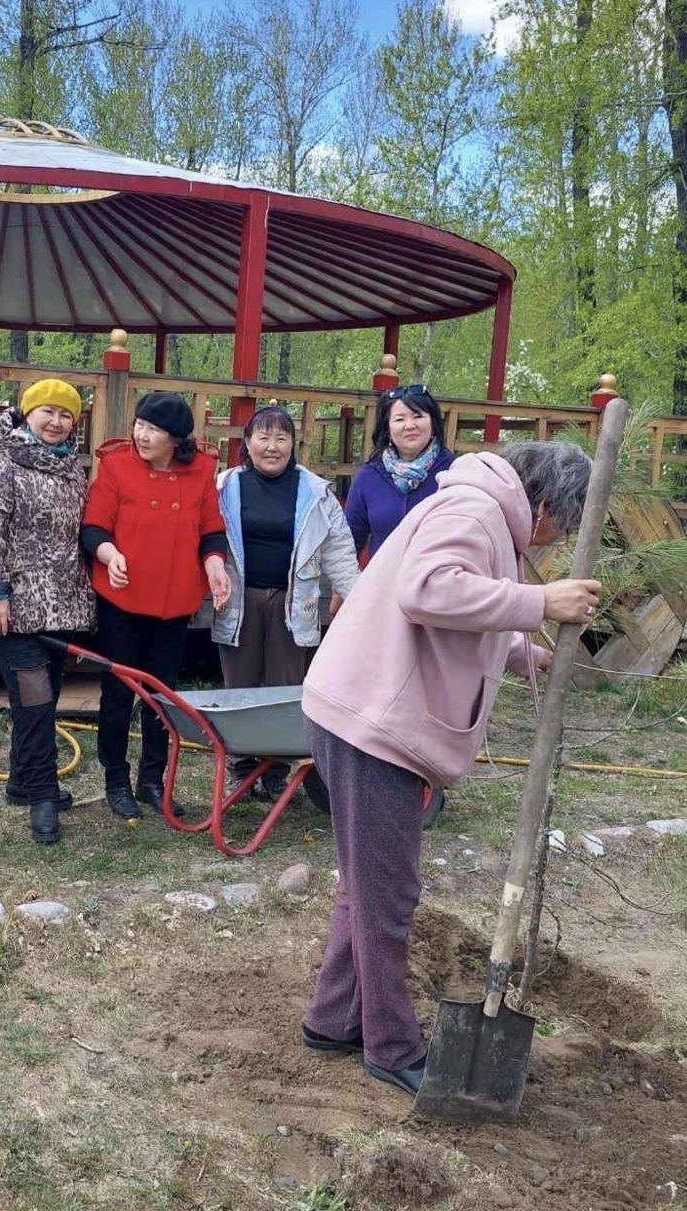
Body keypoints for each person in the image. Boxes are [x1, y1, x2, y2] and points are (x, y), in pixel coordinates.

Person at [299, 441, 602, 1097]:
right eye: (562, 527)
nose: (553, 543)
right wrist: (537, 601)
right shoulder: (473, 508)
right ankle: (391, 1045)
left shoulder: (484, 512)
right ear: (545, 504)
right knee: (388, 895)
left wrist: (525, 648)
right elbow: (430, 589)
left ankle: (332, 1018)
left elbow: (464, 609)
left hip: (368, 710)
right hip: (371, 719)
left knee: (365, 883)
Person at [82, 392, 231, 821]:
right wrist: (110, 556)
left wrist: (215, 566)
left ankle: (152, 778)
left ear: (177, 439)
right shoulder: (117, 464)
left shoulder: (201, 470)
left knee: (161, 696)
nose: (142, 436)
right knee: (118, 693)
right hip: (122, 599)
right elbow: (93, 526)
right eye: (140, 425)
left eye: (154, 431)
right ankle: (115, 778)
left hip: (174, 604)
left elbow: (211, 530)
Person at [0, 379, 94, 845]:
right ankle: (43, 793)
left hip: (61, 605)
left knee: (43, 699)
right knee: (35, 701)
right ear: (27, 414)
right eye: (47, 412)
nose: (56, 422)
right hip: (16, 605)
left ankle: (22, 781)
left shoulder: (72, 469)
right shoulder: (4, 464)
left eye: (65, 415)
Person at [212, 406, 360, 799]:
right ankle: (241, 769)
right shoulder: (224, 487)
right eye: (263, 437)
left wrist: (361, 602)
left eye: (281, 438)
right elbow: (204, 541)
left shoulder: (315, 492)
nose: (272, 447)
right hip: (239, 600)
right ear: (246, 443)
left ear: (293, 444)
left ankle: (275, 772)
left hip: (293, 604)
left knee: (284, 689)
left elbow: (340, 550)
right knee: (238, 689)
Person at [346, 385, 455, 559]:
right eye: (399, 419)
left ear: (433, 423)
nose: (410, 425)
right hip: (383, 581)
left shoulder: (455, 473)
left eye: (418, 416)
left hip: (440, 581)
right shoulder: (368, 477)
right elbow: (349, 543)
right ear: (387, 429)